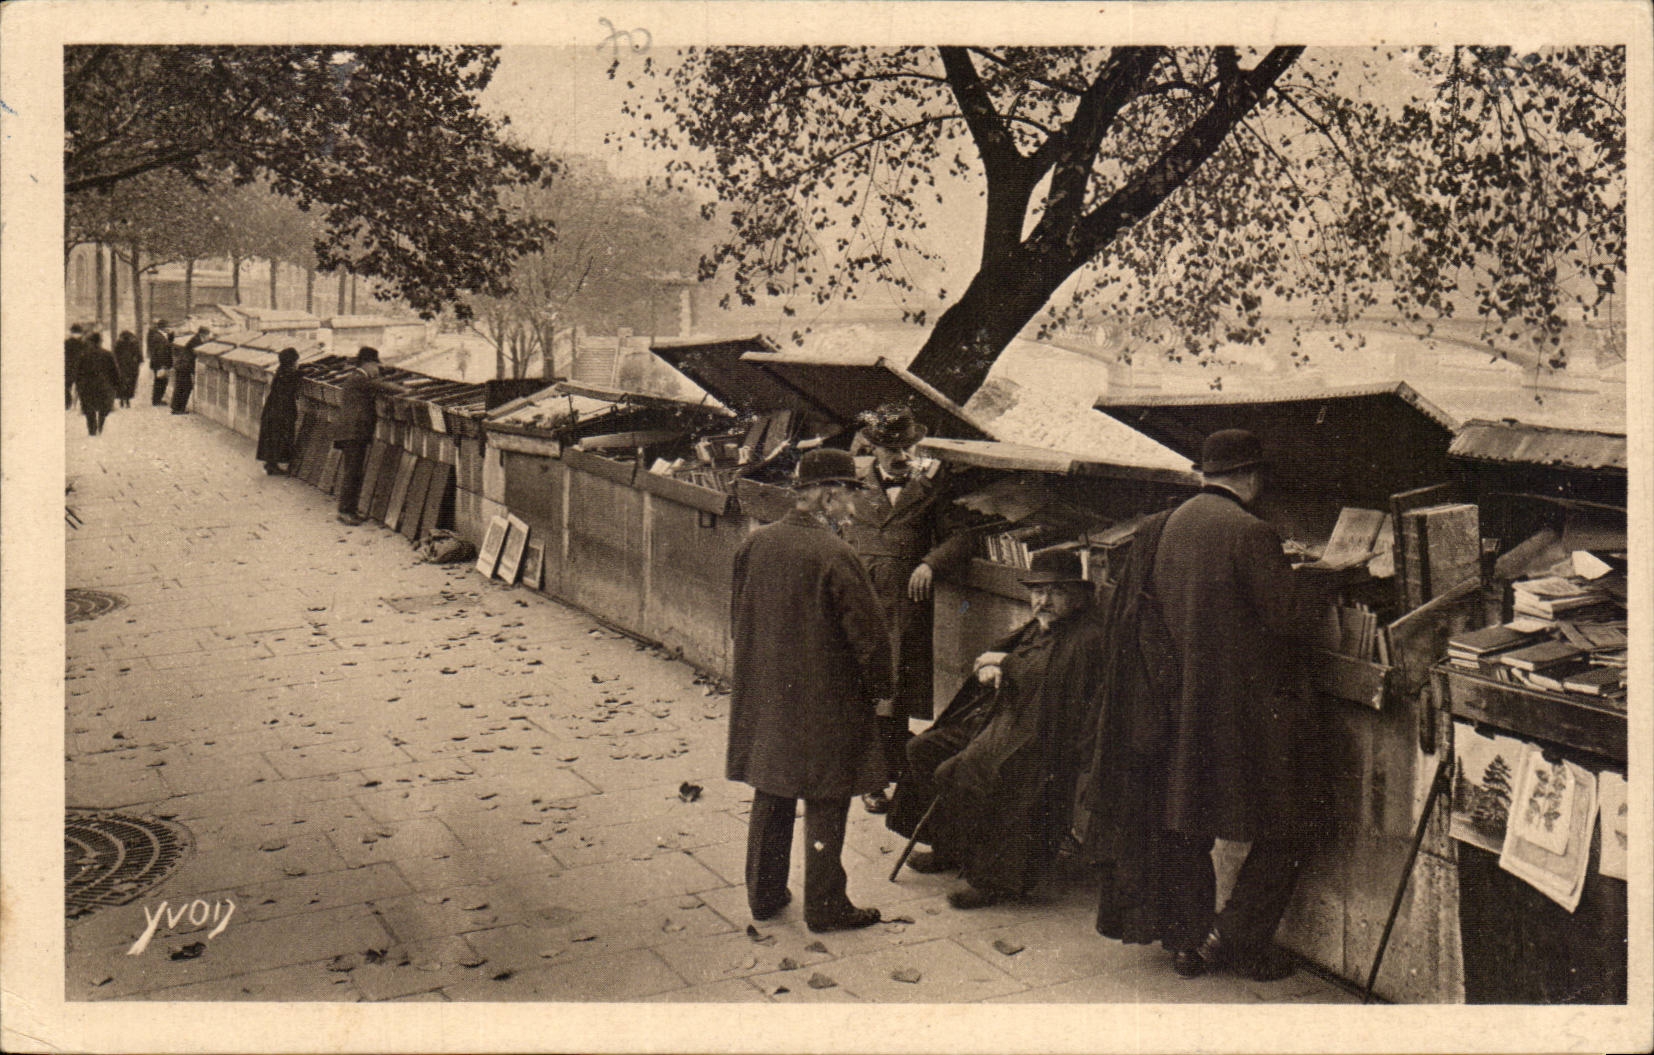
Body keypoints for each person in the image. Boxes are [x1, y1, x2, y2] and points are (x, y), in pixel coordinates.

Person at [1081, 428, 1334, 982]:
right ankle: (1237, 938)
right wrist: (1322, 579)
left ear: (1205, 472)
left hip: (1175, 709)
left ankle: (1188, 940)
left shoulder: (1166, 525)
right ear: (1251, 476)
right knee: (1293, 822)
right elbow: (1287, 618)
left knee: (1185, 824)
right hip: (1244, 717)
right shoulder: (1251, 531)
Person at [727, 447, 893, 933]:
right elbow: (869, 635)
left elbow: (739, 618)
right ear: (826, 494)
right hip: (826, 699)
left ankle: (764, 895)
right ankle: (825, 906)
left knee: (771, 788)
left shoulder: (756, 544)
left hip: (768, 694)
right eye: (848, 494)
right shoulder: (836, 553)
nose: (851, 506)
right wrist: (879, 688)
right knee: (827, 794)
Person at [887, 548, 1108, 909]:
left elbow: (1055, 690)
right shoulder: (1041, 624)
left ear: (1079, 595)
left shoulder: (1086, 636)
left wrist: (1004, 664)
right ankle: (949, 846)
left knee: (963, 771)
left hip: (1044, 737)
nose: (1043, 600)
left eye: (1055, 591)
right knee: (924, 749)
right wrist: (988, 666)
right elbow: (997, 654)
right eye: (1037, 591)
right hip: (1005, 719)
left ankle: (994, 879)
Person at [839, 403, 977, 815]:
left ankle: (892, 765)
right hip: (860, 598)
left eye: (905, 447)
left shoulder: (931, 488)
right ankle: (870, 777)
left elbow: (961, 538)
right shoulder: (851, 485)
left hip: (905, 603)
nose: (901, 456)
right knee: (865, 685)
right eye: (891, 448)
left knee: (896, 685)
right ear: (872, 448)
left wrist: (929, 564)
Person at [334, 346, 405, 524]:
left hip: (353, 432)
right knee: (352, 473)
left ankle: (349, 509)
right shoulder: (360, 379)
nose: (377, 370)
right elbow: (382, 386)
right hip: (353, 432)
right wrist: (407, 391)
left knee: (355, 472)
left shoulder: (356, 378)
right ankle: (344, 512)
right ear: (367, 364)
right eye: (376, 366)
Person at [256, 347, 303, 475]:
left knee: (272, 438)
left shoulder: (281, 372)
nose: (297, 364)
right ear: (291, 362)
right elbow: (294, 383)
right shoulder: (288, 375)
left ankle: (271, 464)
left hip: (273, 409)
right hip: (280, 412)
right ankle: (272, 465)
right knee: (277, 437)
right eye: (296, 361)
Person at [74, 330, 120, 436]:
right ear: (100, 342)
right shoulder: (107, 354)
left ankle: (92, 430)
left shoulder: (83, 355)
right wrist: (116, 383)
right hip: (103, 385)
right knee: (103, 407)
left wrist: (78, 384)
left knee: (89, 409)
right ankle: (100, 425)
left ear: (90, 342)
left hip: (87, 386)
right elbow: (114, 371)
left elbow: (78, 372)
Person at [170, 325, 209, 414]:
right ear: (203, 335)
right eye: (208, 335)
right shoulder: (197, 341)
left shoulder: (195, 339)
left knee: (180, 387)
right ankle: (178, 409)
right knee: (185, 387)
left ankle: (176, 408)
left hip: (182, 365)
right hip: (184, 367)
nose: (208, 337)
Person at [113, 330, 144, 408]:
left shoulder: (118, 344)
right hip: (132, 366)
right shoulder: (134, 343)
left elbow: (115, 355)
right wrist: (139, 361)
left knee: (122, 382)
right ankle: (127, 399)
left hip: (121, 366)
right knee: (130, 382)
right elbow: (139, 355)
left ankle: (121, 399)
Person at [147, 318, 173, 406]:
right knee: (160, 381)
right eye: (167, 326)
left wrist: (171, 335)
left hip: (158, 363)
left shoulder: (158, 335)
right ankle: (157, 400)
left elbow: (168, 343)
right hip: (160, 363)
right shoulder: (159, 337)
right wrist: (162, 365)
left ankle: (157, 399)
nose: (168, 328)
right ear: (163, 327)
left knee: (160, 381)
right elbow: (160, 352)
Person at [65, 323, 85, 409]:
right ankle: (77, 404)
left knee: (67, 386)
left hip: (68, 367)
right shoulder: (82, 344)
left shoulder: (66, 343)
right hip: (79, 368)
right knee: (79, 387)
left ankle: (68, 404)